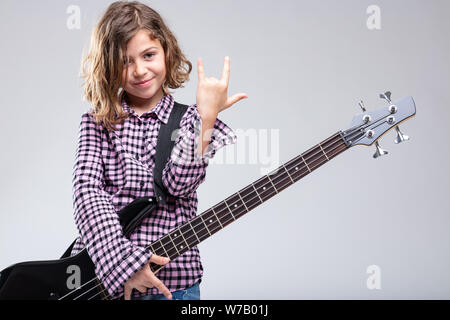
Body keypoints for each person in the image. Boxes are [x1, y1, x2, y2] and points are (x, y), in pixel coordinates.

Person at [69, 1, 247, 300]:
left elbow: (179, 184)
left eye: (149, 55)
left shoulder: (190, 119)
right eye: (126, 62)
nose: (139, 70)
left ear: (166, 50)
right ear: (109, 66)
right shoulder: (96, 123)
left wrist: (206, 119)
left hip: (175, 286)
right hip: (106, 283)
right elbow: (87, 194)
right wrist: (124, 263)